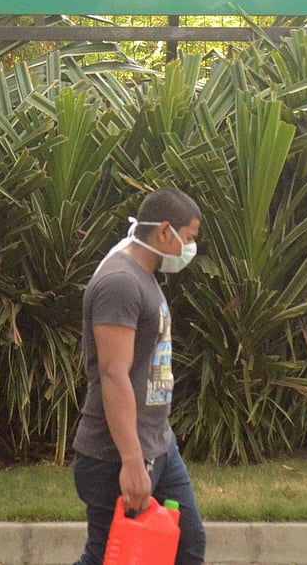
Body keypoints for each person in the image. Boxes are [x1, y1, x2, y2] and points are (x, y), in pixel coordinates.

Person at [72, 188, 207, 565]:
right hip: (116, 455)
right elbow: (113, 374)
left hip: (159, 446)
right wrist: (132, 462)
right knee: (106, 556)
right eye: (190, 238)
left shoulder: (144, 277)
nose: (189, 249)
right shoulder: (121, 282)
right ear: (166, 231)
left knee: (188, 545)